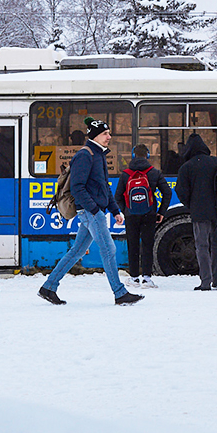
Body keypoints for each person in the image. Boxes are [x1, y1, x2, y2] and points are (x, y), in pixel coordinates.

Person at [38, 118, 144, 305]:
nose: (109, 137)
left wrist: (115, 210)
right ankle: (120, 294)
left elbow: (104, 187)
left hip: (94, 210)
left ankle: (48, 287)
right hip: (91, 212)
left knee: (76, 251)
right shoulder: (85, 156)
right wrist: (94, 210)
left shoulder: (99, 155)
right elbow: (78, 187)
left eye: (109, 133)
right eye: (105, 134)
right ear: (95, 135)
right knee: (109, 249)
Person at [175, 133, 217, 291]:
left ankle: (205, 281)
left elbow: (180, 190)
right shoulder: (216, 163)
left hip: (199, 212)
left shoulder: (187, 167)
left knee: (202, 246)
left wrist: (191, 204)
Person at [114, 144, 172, 288]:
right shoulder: (154, 173)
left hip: (131, 215)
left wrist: (126, 210)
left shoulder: (125, 174)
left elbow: (117, 197)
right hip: (149, 214)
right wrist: (161, 212)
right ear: (147, 156)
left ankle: (134, 278)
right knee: (147, 244)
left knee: (132, 245)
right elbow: (167, 192)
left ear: (133, 156)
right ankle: (146, 278)